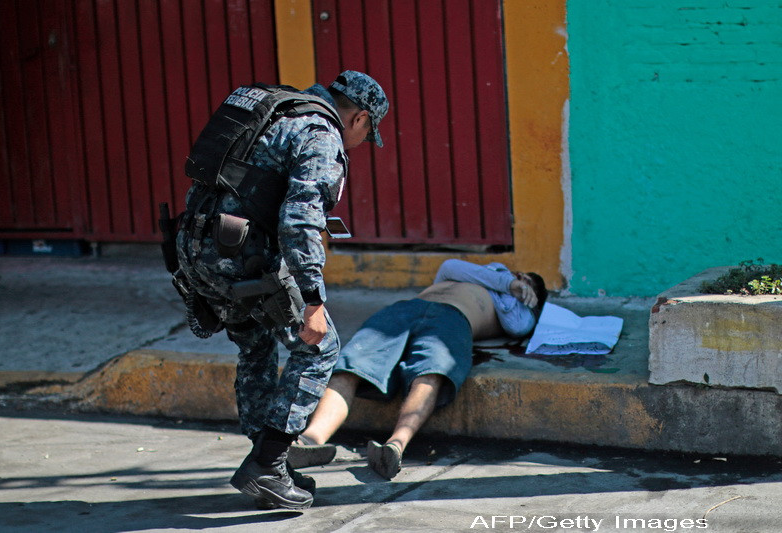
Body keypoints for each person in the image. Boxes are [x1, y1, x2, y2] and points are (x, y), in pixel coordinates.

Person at [173, 71, 388, 510]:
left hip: (196, 251)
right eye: (367, 134)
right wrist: (313, 299)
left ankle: (269, 464)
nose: (361, 143)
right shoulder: (321, 133)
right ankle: (268, 466)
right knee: (320, 344)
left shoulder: (275, 109)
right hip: (241, 260)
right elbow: (300, 220)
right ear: (360, 118)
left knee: (255, 345)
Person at [288, 259, 548, 479]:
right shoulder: (477, 275)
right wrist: (507, 282)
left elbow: (518, 326)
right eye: (520, 275)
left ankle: (395, 446)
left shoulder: (516, 311)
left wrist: (518, 294)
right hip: (405, 309)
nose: (521, 279)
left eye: (528, 283)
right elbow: (450, 265)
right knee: (352, 364)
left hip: (453, 318)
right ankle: (311, 440)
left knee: (431, 371)